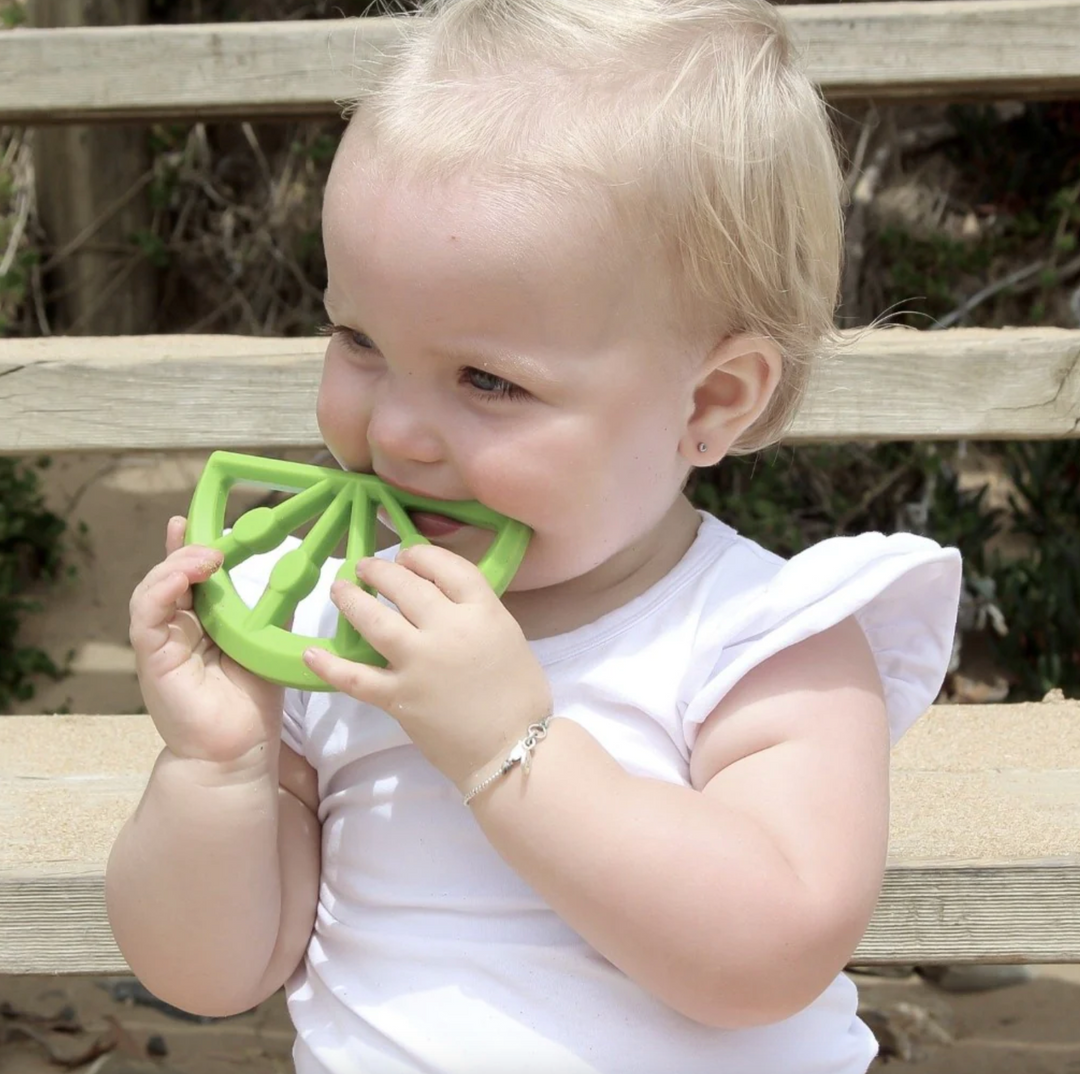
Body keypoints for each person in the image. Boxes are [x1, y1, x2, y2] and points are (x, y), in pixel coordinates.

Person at [107, 1, 962, 1071]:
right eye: (358, 341)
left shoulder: (760, 638)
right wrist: (219, 767)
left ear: (711, 401)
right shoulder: (325, 614)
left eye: (488, 380)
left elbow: (771, 952)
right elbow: (210, 974)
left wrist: (512, 750)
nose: (394, 431)